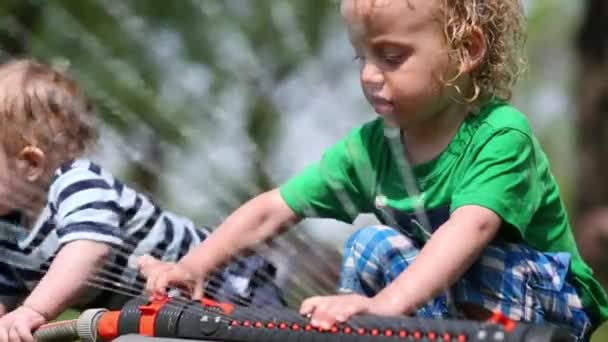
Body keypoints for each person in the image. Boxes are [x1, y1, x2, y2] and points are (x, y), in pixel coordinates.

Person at [138, 0, 608, 340]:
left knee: (468, 257)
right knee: (371, 244)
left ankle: (381, 326)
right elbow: (272, 209)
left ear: (466, 51)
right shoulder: (371, 149)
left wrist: (382, 307)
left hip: (554, 311)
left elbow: (470, 230)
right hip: (453, 304)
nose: (368, 75)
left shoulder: (501, 134)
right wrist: (193, 265)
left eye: (391, 56)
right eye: (361, 56)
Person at [0, 59, 284, 342]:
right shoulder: (8, 229)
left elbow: (88, 251)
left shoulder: (78, 184)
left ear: (30, 164)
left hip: (228, 284)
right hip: (161, 316)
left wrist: (33, 310)